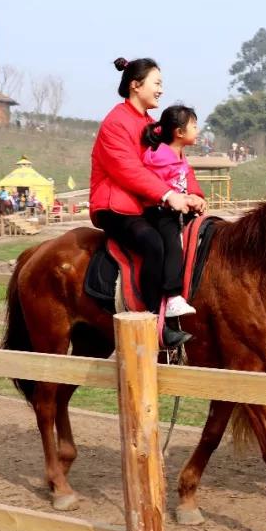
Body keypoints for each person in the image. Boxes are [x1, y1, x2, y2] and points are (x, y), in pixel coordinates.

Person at [89, 56, 195, 348]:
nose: (161, 89)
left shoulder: (153, 125)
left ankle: (175, 303)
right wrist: (168, 194)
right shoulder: (115, 122)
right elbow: (127, 169)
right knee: (152, 242)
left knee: (182, 236)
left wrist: (192, 193)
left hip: (144, 204)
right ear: (136, 86)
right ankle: (152, 324)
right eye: (156, 83)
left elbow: (174, 162)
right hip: (116, 206)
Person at [141, 104, 208, 328]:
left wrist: (196, 198)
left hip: (176, 210)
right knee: (171, 242)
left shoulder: (180, 155)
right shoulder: (158, 156)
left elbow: (187, 183)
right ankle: (171, 295)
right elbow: (159, 186)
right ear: (179, 133)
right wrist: (182, 198)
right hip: (159, 212)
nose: (198, 130)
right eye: (194, 126)